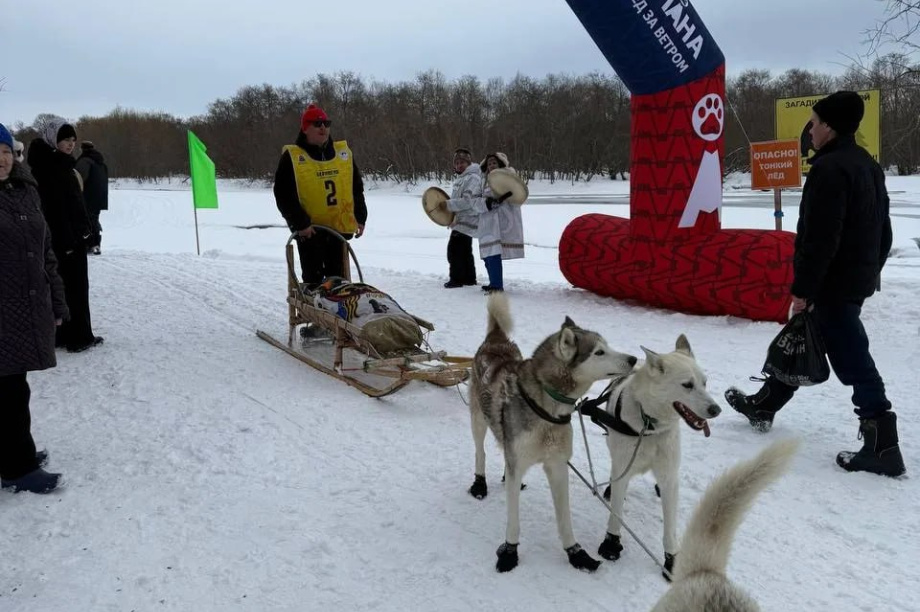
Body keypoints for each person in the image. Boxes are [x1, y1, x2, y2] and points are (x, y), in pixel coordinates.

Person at [724, 91, 904, 477]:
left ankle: (883, 443)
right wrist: (870, 271)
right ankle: (766, 403)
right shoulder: (867, 165)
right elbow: (884, 230)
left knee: (851, 354)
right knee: (805, 337)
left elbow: (821, 239)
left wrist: (803, 290)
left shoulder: (830, 170)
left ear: (830, 127)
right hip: (854, 277)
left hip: (832, 283)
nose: (810, 128)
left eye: (815, 121)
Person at [0, 122, 67, 494]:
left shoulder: (25, 190)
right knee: (7, 390)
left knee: (14, 385)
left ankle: (14, 453)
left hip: (25, 303)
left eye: (6, 151)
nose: (2, 159)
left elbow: (45, 252)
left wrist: (56, 299)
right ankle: (16, 467)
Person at [27, 116, 103, 353]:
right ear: (53, 140)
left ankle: (62, 333)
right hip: (64, 239)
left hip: (65, 237)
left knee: (61, 287)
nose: (70, 144)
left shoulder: (56, 163)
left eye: (72, 139)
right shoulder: (54, 167)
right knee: (74, 288)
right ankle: (79, 337)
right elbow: (56, 207)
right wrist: (70, 239)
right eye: (65, 139)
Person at [273, 104, 367, 287]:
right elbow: (283, 195)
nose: (323, 127)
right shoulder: (293, 158)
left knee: (339, 282)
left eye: (326, 123)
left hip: (338, 229)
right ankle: (314, 313)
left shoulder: (342, 155)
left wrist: (360, 217)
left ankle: (337, 313)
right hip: (310, 232)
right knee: (314, 282)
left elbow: (355, 187)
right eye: (317, 124)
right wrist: (300, 223)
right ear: (305, 128)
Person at [476, 152, 524, 293]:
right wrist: (487, 203)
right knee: (486, 254)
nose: (491, 165)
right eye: (489, 163)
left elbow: (516, 197)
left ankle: (497, 285)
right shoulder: (483, 180)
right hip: (486, 221)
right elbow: (476, 199)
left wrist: (501, 200)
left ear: (500, 164)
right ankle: (492, 283)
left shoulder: (508, 178)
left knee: (494, 253)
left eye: (494, 163)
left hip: (500, 222)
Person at [443, 147, 481, 288]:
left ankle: (457, 279)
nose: (459, 165)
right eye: (457, 162)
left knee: (454, 250)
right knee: (464, 251)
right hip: (460, 220)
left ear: (468, 163)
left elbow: (467, 201)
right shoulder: (463, 178)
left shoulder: (472, 178)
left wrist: (447, 205)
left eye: (462, 162)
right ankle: (469, 278)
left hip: (467, 220)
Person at [75, 141, 109, 255]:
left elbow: (78, 179)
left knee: (86, 221)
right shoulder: (101, 162)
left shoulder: (84, 161)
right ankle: (96, 245)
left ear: (82, 149)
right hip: (100, 198)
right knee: (94, 220)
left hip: (87, 197)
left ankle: (90, 245)